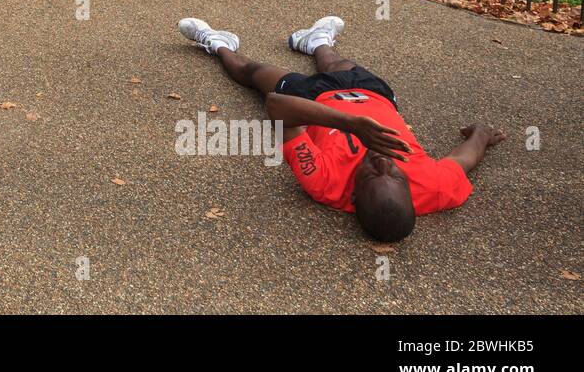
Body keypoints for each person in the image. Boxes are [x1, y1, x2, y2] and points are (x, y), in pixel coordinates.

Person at [177, 15, 506, 242]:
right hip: (374, 96)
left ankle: (217, 42)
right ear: (410, 192)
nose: (382, 162)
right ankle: (316, 40)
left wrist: (349, 122)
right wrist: (481, 134)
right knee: (336, 63)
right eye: (396, 174)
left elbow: (277, 106)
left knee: (253, 72)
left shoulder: (326, 184)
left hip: (311, 100)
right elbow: (465, 159)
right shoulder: (434, 188)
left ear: (354, 197)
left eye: (371, 175)